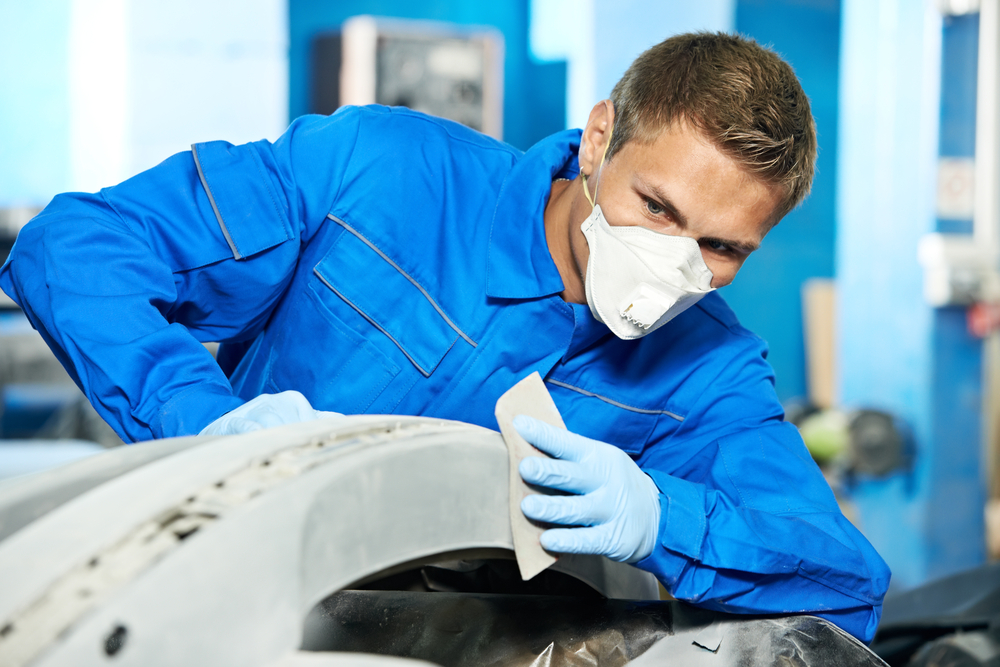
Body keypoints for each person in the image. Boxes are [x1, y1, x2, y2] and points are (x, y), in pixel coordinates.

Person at [0, 32, 890, 642]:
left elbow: (844, 582)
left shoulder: (709, 373)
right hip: (213, 605)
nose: (674, 262)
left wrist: (664, 518)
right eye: (655, 207)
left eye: (722, 247)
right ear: (599, 139)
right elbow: (75, 249)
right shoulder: (379, 175)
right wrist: (199, 422)